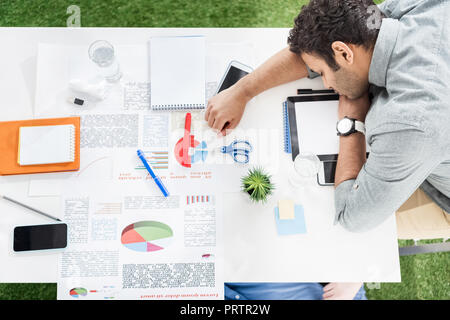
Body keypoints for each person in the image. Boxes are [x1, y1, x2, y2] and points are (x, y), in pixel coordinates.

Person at [211, 0, 450, 299]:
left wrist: (350, 121)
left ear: (344, 53)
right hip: (423, 138)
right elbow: (309, 52)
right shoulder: (424, 7)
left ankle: (352, 273)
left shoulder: (411, 121)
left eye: (322, 72)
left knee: (324, 214)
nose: (323, 81)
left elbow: (353, 215)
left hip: (436, 186)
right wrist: (241, 90)